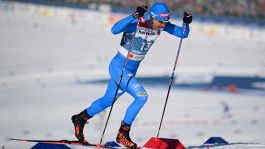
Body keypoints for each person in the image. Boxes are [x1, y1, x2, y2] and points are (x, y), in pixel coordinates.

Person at [71, 2, 192, 148]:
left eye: (165, 22)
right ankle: (123, 133)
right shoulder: (137, 22)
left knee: (108, 100)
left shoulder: (162, 25)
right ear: (153, 17)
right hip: (118, 67)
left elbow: (183, 34)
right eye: (160, 21)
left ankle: (80, 118)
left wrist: (186, 22)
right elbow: (114, 30)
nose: (163, 25)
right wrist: (133, 16)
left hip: (131, 70)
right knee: (142, 97)